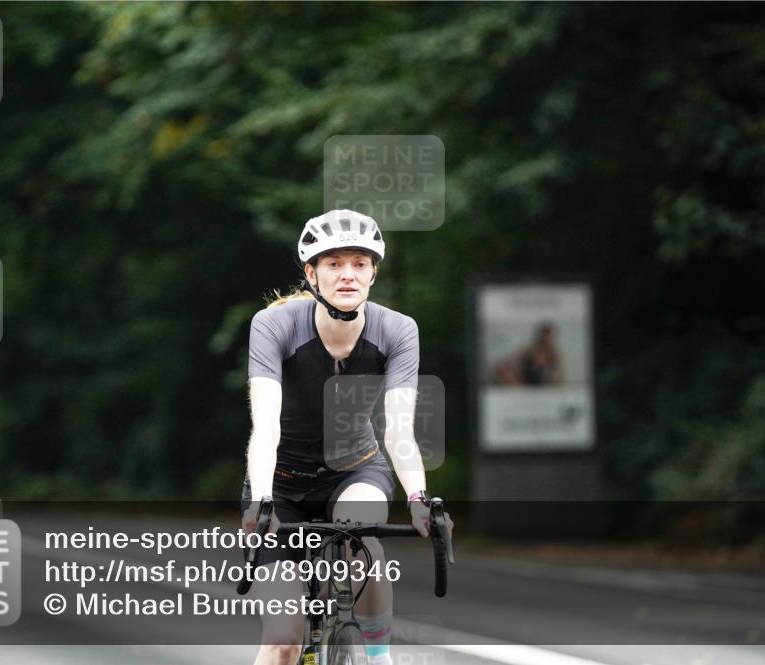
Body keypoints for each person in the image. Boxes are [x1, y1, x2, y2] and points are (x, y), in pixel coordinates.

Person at [241, 209, 452, 665]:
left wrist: (419, 497)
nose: (348, 275)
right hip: (279, 481)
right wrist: (260, 501)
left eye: (359, 263)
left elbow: (398, 429)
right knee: (282, 643)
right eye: (334, 264)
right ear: (311, 273)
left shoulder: (397, 330)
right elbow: (266, 427)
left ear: (374, 272)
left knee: (361, 534)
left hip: (354, 470)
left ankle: (376, 656)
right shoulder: (274, 326)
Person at [492, 321, 563, 386]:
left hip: (541, 384)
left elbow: (557, 375)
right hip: (524, 381)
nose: (545, 339)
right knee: (501, 369)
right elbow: (509, 360)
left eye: (548, 337)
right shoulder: (530, 349)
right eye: (544, 336)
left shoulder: (554, 353)